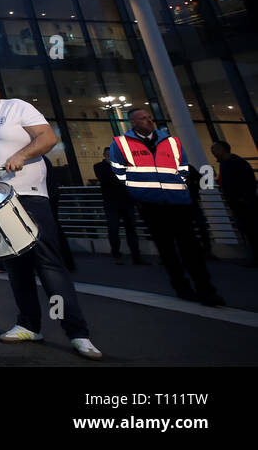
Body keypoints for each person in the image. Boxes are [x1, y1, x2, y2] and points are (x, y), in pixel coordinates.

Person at [0, 72, 103, 360]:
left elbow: (47, 138)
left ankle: (77, 333)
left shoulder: (17, 107)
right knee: (15, 266)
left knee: (47, 264)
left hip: (27, 194)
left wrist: (22, 155)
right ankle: (28, 324)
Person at [109, 108, 225, 306]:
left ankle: (206, 289)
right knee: (167, 249)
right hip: (151, 204)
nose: (148, 120)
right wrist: (139, 191)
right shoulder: (121, 144)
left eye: (149, 117)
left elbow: (183, 166)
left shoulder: (170, 141)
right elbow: (119, 171)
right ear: (132, 122)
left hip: (177, 201)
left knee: (190, 247)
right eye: (142, 118)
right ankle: (181, 287)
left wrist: (178, 186)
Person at [211, 140, 258, 266]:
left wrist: (243, 198)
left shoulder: (235, 163)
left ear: (222, 149)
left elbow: (249, 182)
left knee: (251, 230)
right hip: (238, 203)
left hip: (244, 204)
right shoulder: (228, 163)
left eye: (215, 150)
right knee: (248, 230)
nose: (213, 153)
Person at [93, 150, 144, 264]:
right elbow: (105, 179)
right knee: (113, 229)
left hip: (126, 201)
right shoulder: (100, 167)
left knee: (130, 229)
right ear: (105, 156)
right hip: (112, 202)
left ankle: (136, 255)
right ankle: (117, 254)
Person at [44, 154, 77, 271]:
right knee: (55, 228)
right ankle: (67, 262)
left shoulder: (38, 160)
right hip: (51, 196)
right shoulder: (43, 159)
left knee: (50, 230)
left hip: (45, 197)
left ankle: (58, 262)